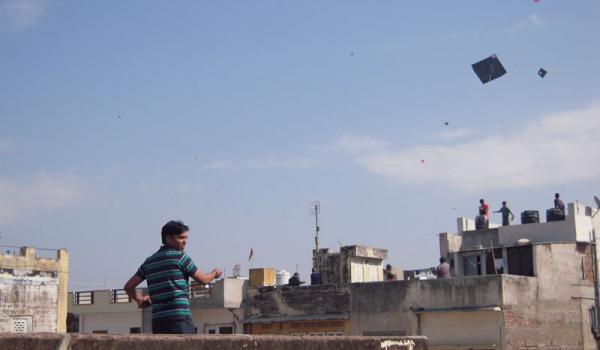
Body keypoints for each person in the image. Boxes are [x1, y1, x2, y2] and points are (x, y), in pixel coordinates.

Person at [123, 220, 222, 334]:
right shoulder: (180, 257)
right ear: (168, 238)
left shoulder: (149, 262)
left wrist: (139, 299)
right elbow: (204, 279)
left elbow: (129, 287)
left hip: (159, 320)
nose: (184, 242)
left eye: (186, 238)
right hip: (180, 319)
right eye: (180, 238)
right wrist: (215, 273)